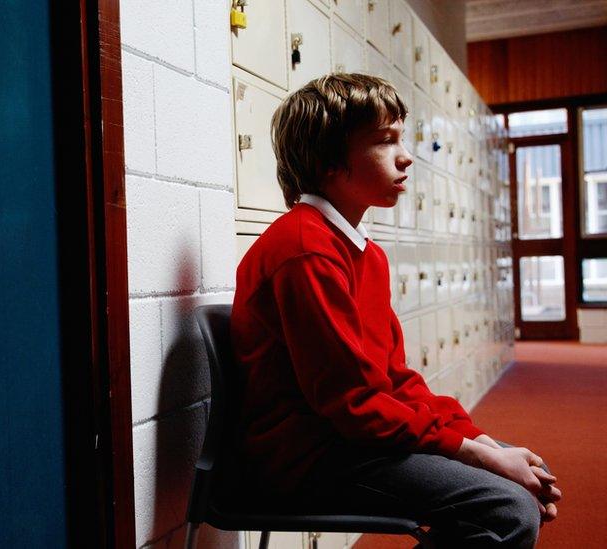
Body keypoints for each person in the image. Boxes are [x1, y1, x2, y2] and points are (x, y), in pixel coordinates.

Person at [230, 73, 561, 547]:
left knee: (522, 474)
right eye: (386, 141)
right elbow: (355, 406)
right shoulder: (305, 249)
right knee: (505, 509)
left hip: (352, 443)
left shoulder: (365, 253)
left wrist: (478, 440)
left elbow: (396, 380)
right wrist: (481, 459)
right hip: (310, 458)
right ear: (328, 160)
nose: (406, 156)